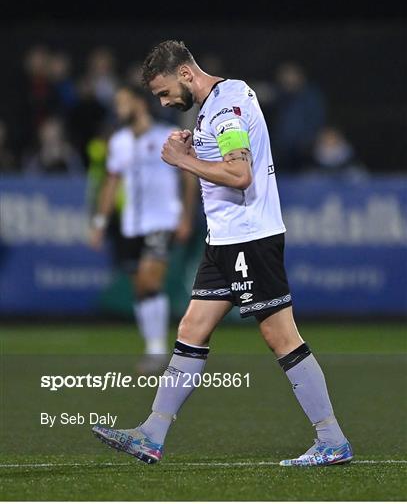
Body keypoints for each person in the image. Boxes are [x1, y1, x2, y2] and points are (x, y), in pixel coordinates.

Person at [92, 40, 353, 467]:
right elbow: (227, 155)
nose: (163, 101)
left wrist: (182, 160)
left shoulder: (224, 107)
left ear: (186, 75)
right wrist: (197, 147)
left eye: (164, 92)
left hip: (249, 238)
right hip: (224, 241)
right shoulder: (221, 100)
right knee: (192, 327)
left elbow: (239, 172)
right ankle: (151, 434)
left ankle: (332, 439)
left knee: (280, 336)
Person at [89, 84, 197, 372]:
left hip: (162, 220)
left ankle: (158, 350)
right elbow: (111, 183)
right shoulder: (119, 141)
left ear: (139, 104)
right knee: (140, 287)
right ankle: (154, 347)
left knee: (150, 281)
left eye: (123, 102)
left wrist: (186, 216)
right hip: (131, 225)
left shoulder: (166, 136)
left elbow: (188, 178)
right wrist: (100, 222)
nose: (118, 109)